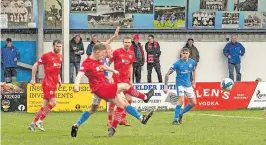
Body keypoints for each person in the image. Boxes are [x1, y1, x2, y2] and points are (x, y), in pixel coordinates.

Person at [71, 43, 154, 137]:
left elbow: (104, 66)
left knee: (94, 109)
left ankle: (76, 125)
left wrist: (113, 71)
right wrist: (76, 86)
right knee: (125, 86)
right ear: (97, 52)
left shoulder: (99, 60)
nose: (103, 56)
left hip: (100, 89)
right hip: (101, 88)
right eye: (102, 54)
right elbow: (79, 76)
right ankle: (145, 97)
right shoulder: (86, 63)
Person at [108, 37, 154, 127]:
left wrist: (131, 79)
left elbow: (130, 67)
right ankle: (110, 121)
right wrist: (109, 75)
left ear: (131, 44)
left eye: (129, 42)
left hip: (126, 80)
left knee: (129, 99)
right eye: (126, 42)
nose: (127, 44)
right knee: (114, 102)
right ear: (123, 42)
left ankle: (122, 119)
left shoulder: (131, 53)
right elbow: (108, 63)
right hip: (116, 80)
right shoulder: (117, 52)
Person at [28, 40, 63, 132]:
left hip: (54, 83)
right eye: (57, 46)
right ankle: (39, 121)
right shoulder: (46, 56)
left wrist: (59, 80)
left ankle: (32, 123)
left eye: (60, 46)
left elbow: (57, 71)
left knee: (44, 106)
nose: (58, 48)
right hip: (47, 82)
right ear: (53, 46)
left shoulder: (60, 57)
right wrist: (33, 78)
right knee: (54, 102)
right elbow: (35, 65)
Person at [164, 47, 197, 125]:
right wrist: (166, 85)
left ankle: (181, 113)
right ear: (181, 54)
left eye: (186, 53)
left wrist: (194, 81)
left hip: (188, 85)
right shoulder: (177, 63)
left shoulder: (192, 62)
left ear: (189, 54)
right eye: (183, 53)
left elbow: (194, 71)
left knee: (193, 103)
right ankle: (175, 120)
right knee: (181, 101)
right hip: (180, 85)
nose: (185, 55)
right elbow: (167, 74)